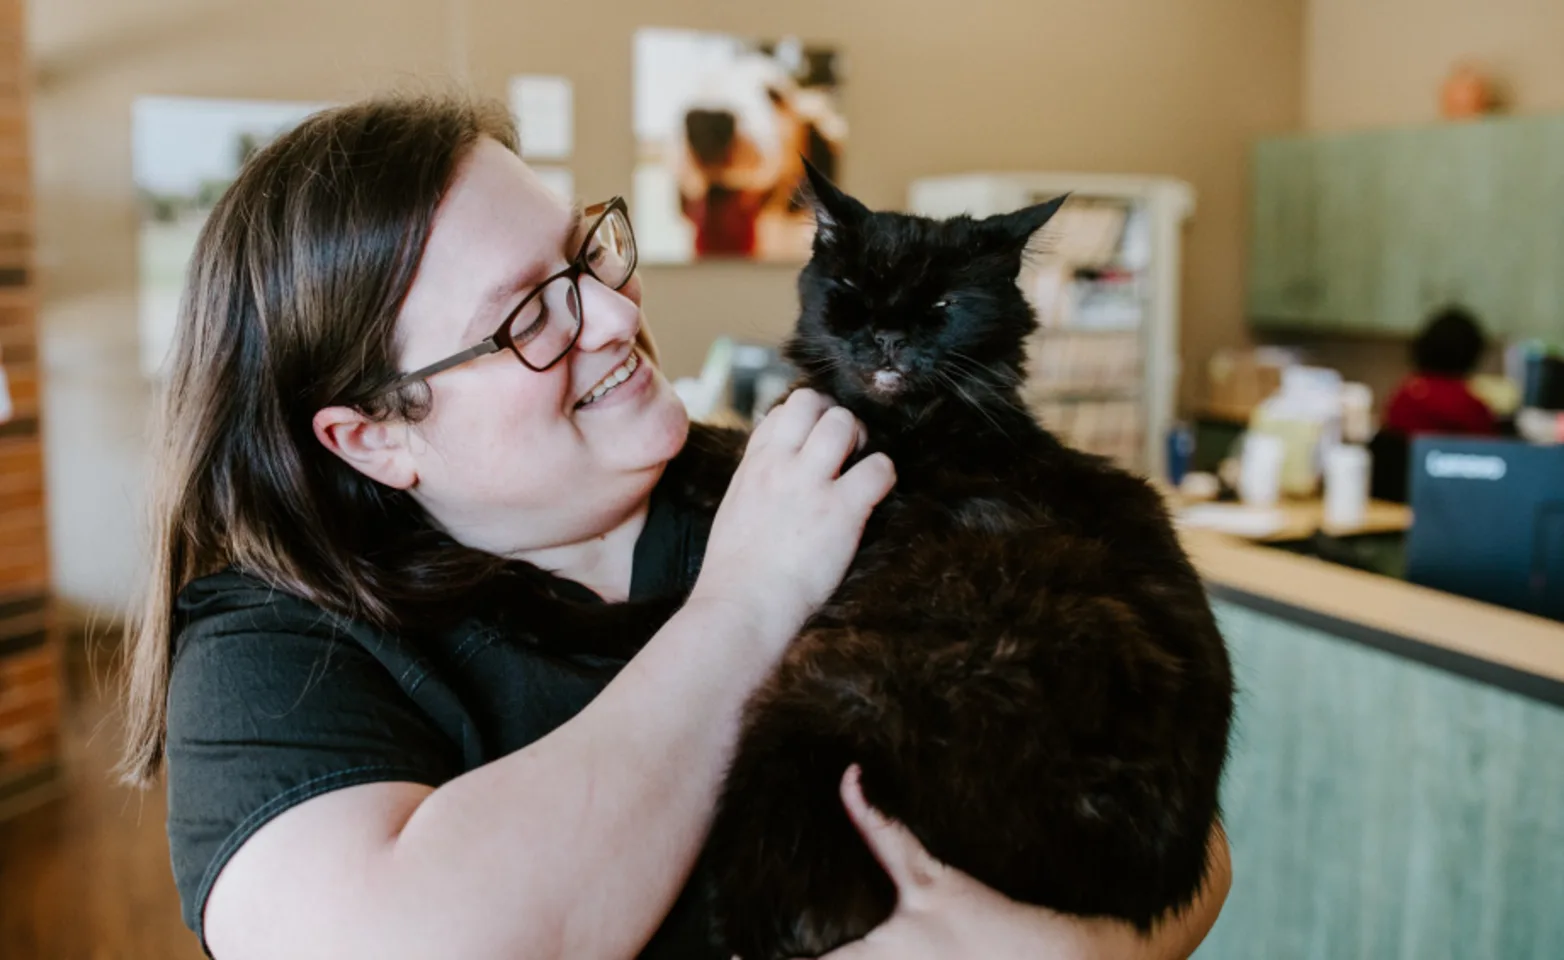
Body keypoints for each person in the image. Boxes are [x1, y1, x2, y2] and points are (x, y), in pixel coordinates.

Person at [119, 94, 1231, 960]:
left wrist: (1065, 950)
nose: (614, 314)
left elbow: (1177, 826)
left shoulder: (810, 478)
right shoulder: (276, 650)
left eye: (587, 254)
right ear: (373, 437)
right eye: (525, 318)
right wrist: (746, 604)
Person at [1372, 305, 1499, 501]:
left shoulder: (1403, 396)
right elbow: (1488, 468)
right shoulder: (1472, 408)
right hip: (1450, 507)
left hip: (1396, 503)